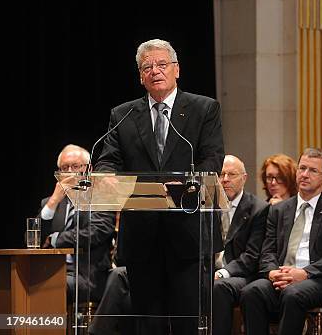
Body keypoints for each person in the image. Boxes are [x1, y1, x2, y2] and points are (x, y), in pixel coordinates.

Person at [95, 39, 225, 335]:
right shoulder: (124, 114)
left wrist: (187, 184)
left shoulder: (204, 108)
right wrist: (105, 175)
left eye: (162, 64)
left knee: (187, 325)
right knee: (148, 326)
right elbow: (108, 158)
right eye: (147, 67)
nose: (155, 71)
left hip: (189, 235)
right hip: (142, 237)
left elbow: (212, 157)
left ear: (176, 70)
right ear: (141, 76)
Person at [240, 148, 322, 335]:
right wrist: (272, 272)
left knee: (292, 294)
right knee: (251, 291)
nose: (305, 174)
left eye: (312, 170)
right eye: (302, 168)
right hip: (280, 275)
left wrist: (303, 273)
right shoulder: (278, 209)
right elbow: (268, 249)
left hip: (314, 278)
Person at [39, 144, 115, 303]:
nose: (69, 172)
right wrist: (53, 201)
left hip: (87, 276)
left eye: (75, 166)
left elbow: (97, 231)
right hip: (53, 271)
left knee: (48, 287)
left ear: (88, 169)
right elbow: (35, 239)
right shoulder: (50, 203)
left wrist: (56, 239)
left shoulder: (100, 198)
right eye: (64, 168)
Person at [213, 155, 269, 335]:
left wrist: (223, 272)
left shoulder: (258, 209)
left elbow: (252, 256)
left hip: (243, 274)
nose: (225, 180)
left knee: (220, 287)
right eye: (221, 175)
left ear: (244, 178)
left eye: (232, 174)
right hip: (212, 271)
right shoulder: (209, 206)